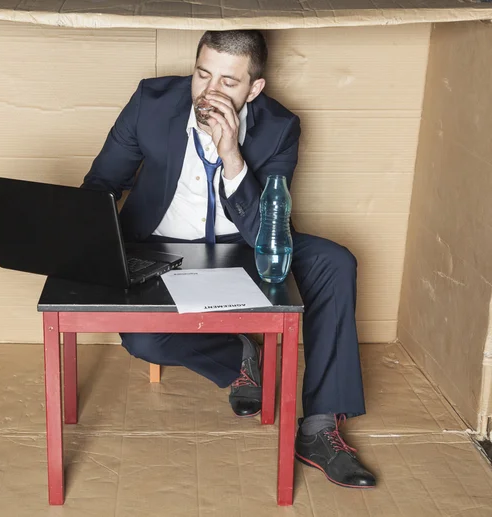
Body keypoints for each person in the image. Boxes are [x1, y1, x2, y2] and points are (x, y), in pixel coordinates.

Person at [83, 30, 376, 489]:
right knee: (144, 341)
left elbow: (269, 232)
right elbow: (101, 185)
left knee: (334, 261)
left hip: (246, 246)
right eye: (202, 75)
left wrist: (231, 155)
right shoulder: (151, 101)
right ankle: (240, 355)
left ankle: (319, 428)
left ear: (254, 88)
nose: (210, 93)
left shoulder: (280, 127)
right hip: (161, 250)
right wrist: (85, 249)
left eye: (228, 83)